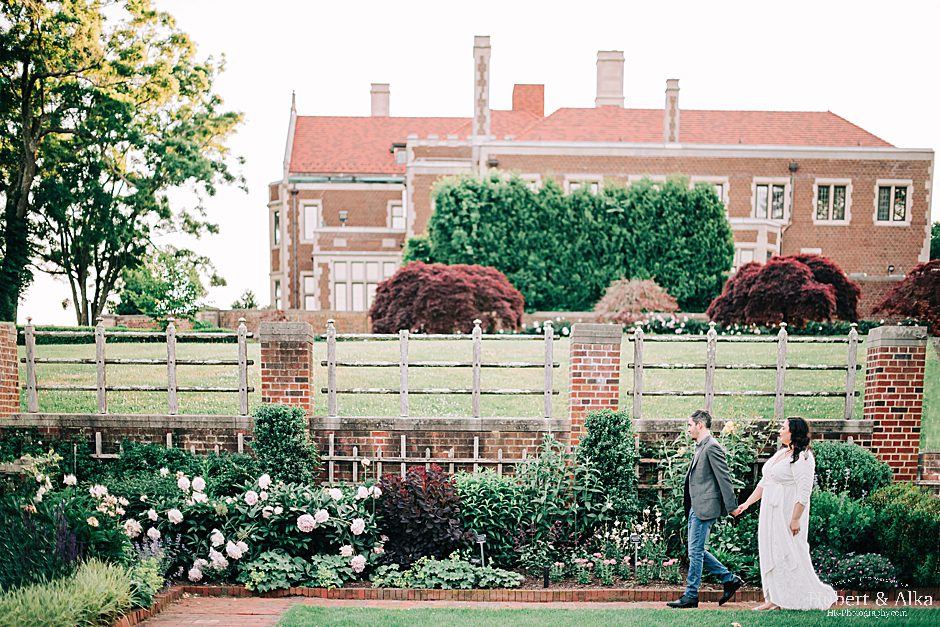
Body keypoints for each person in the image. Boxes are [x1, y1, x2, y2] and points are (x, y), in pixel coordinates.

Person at [732, 417, 837, 610]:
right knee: (771, 551)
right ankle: (773, 598)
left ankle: (793, 597)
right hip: (770, 512)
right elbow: (765, 482)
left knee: (790, 554)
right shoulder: (782, 453)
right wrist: (746, 504)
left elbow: (804, 492)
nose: (780, 431)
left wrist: (795, 519)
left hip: (788, 512)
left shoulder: (803, 457)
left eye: (783, 427)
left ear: (793, 432)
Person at [666, 410, 744, 609]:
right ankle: (729, 579)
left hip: (704, 508)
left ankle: (691, 595)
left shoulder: (712, 447)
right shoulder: (701, 446)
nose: (688, 429)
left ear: (700, 425)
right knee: (696, 551)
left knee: (695, 553)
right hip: (696, 507)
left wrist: (732, 507)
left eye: (690, 425)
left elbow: (724, 479)